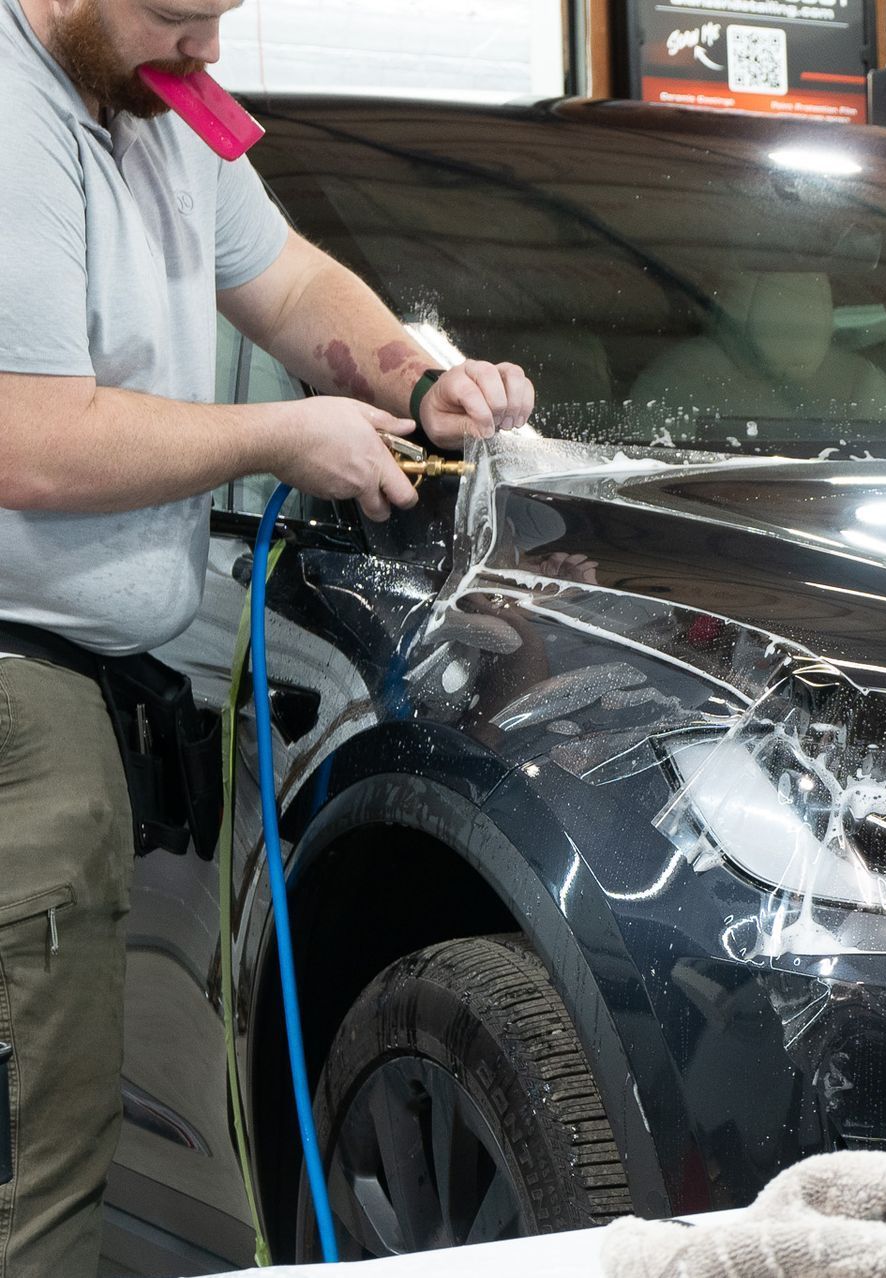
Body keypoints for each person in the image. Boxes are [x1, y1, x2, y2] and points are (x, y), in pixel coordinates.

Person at [0, 0, 535, 1271]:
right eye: (180, 19)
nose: (211, 54)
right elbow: (24, 436)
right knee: (30, 1171)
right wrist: (278, 436)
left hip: (94, 684)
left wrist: (414, 378)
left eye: (223, 16)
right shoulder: (15, 118)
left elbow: (287, 277)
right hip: (18, 682)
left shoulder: (162, 106)